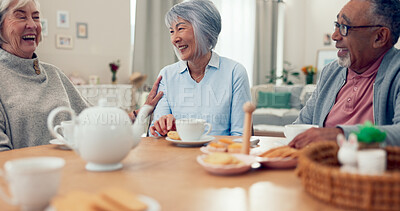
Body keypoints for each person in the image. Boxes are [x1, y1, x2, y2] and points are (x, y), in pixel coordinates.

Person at [0, 0, 162, 151]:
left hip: (76, 172)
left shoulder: (54, 74)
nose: (32, 25)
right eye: (21, 16)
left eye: (36, 17)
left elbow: (92, 118)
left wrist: (139, 113)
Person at [289, 0, 400, 149]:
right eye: (337, 25)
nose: (335, 36)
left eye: (344, 27)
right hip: (319, 167)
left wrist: (340, 135)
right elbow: (302, 125)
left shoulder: (396, 72)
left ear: (379, 37)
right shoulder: (330, 72)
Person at [149, 0, 251, 137]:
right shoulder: (167, 75)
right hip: (177, 156)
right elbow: (156, 135)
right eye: (171, 31)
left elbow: (240, 136)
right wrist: (162, 127)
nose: (174, 39)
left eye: (180, 29)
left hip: (218, 155)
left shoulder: (235, 72)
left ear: (206, 31)